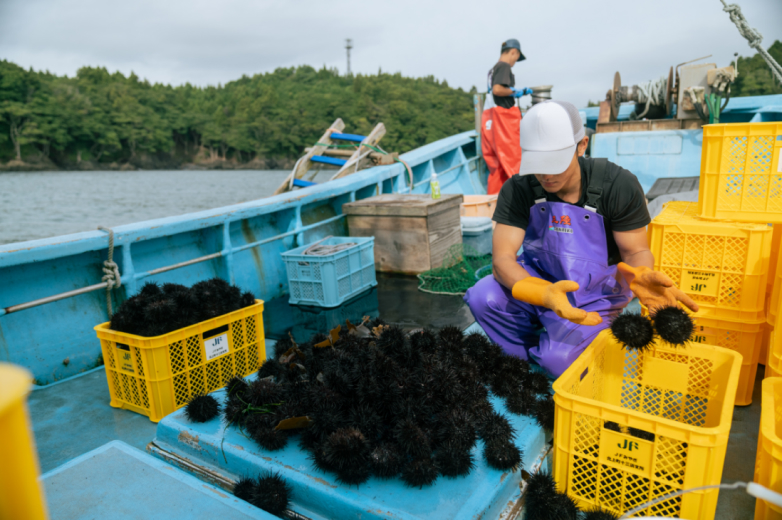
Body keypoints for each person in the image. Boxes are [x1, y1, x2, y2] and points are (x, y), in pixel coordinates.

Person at [465, 100, 698, 377]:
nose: (547, 175)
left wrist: (641, 273)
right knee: (482, 296)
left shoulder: (618, 184)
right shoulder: (518, 188)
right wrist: (544, 293)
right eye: (539, 164)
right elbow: (503, 260)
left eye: (555, 163)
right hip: (537, 279)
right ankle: (525, 360)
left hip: (593, 293)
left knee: (558, 361)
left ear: (582, 145)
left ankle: (557, 347)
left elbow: (635, 252)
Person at [481, 39, 532, 195]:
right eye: (516, 57)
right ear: (513, 52)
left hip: (491, 122)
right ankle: (520, 202)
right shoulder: (504, 66)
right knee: (513, 161)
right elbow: (497, 89)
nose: (515, 61)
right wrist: (516, 92)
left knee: (497, 168)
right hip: (504, 122)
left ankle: (495, 203)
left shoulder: (493, 69)